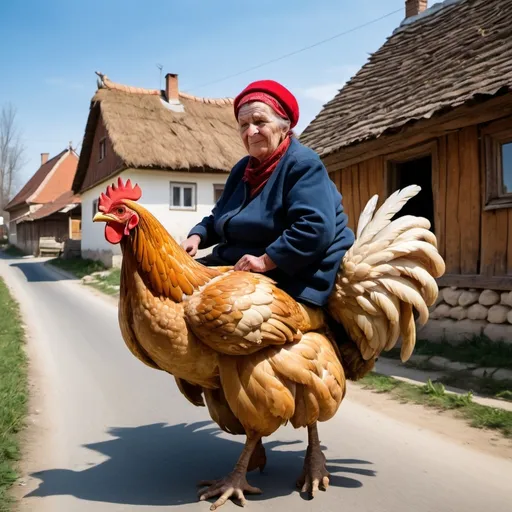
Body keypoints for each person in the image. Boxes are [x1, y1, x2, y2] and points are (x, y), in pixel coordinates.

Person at [181, 80, 355, 307]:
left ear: (284, 126)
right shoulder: (243, 169)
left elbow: (315, 228)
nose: (251, 131)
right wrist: (197, 236)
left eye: (259, 122)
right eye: (243, 125)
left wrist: (266, 260)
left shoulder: (303, 164)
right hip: (242, 265)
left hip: (293, 273)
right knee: (177, 288)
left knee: (215, 315)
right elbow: (220, 216)